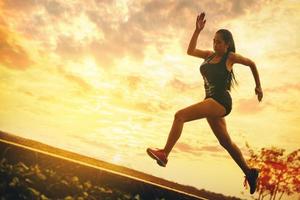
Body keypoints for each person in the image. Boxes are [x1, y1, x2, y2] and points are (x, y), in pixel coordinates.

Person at [146, 12, 263, 195]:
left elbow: (252, 63)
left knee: (180, 115)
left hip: (220, 101)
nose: (215, 44)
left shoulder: (230, 57)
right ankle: (249, 172)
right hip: (210, 102)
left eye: (219, 42)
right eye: (214, 41)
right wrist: (197, 30)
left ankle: (164, 154)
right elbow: (190, 51)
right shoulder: (208, 55)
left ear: (227, 45)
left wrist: (258, 87)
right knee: (226, 142)